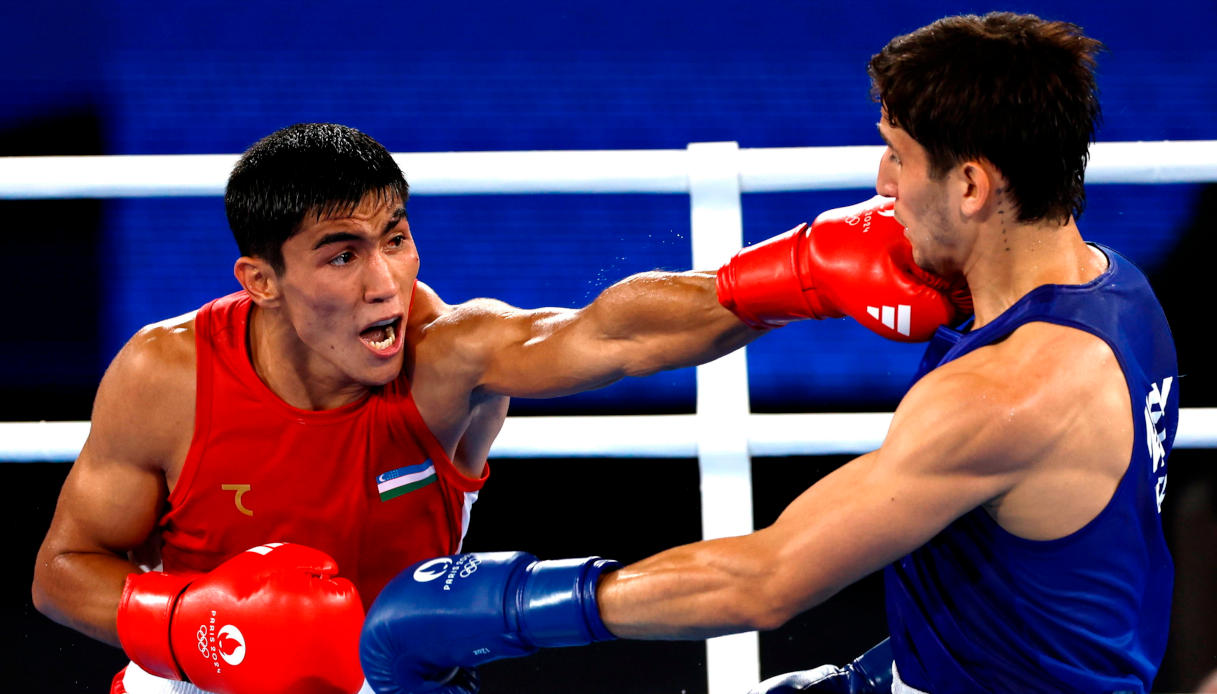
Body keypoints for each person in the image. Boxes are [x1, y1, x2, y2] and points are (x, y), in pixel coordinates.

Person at [358, 12, 1180, 694]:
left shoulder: (1004, 394)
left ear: (970, 186)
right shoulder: (1114, 290)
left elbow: (764, 582)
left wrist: (512, 605)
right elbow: (1041, 578)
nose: (882, 182)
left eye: (898, 153)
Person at [30, 122, 967, 694]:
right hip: (188, 680)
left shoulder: (445, 358)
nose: (387, 281)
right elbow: (61, 571)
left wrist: (792, 279)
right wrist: (192, 622)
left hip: (392, 680)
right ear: (260, 281)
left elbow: (609, 336)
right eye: (341, 254)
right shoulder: (169, 374)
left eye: (395, 237)